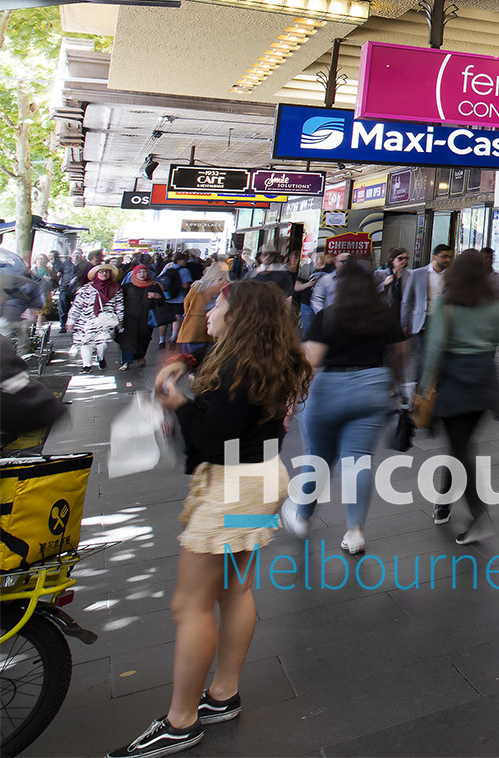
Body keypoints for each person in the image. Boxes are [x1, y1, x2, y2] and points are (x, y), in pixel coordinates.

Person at [109, 280, 312, 758]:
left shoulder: (240, 367)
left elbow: (213, 437)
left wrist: (178, 404)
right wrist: (190, 361)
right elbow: (227, 400)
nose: (209, 312)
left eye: (218, 305)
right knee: (236, 590)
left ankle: (180, 721)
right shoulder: (272, 356)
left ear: (237, 316)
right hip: (263, 477)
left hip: (231, 487)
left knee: (191, 606)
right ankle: (223, 693)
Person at [283, 263, 407, 556]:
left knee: (319, 458)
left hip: (327, 392)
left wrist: (289, 402)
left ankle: (302, 517)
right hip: (373, 390)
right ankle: (355, 533)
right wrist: (397, 385)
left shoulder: (328, 316)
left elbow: (310, 361)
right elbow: (401, 353)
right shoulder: (384, 316)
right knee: (358, 462)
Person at [419, 251, 499, 544]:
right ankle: (443, 505)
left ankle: (480, 516)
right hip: (484, 383)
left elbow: (434, 350)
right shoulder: (496, 305)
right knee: (460, 445)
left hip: (455, 382)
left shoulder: (447, 304)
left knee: (460, 451)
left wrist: (422, 390)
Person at [401, 244, 452, 398]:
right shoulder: (418, 274)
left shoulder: (451, 276)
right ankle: (419, 393)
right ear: (434, 257)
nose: (448, 260)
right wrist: (404, 322)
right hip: (423, 322)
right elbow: (407, 300)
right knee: (423, 358)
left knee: (441, 358)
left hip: (443, 323)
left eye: (450, 256)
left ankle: (436, 391)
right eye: (444, 256)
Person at [68, 264, 121, 371]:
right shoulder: (86, 289)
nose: (104, 274)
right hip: (86, 321)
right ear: (96, 274)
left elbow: (119, 305)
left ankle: (100, 357)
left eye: (106, 272)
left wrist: (120, 320)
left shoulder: (115, 289)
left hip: (105, 320)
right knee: (85, 342)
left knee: (102, 343)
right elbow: (77, 306)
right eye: (101, 272)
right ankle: (86, 365)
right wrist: (71, 321)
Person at [175, 261, 228, 364]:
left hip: (193, 326)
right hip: (215, 328)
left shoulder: (196, 285)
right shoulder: (224, 287)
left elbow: (186, 302)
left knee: (192, 361)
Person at [119, 264, 167, 371]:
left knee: (144, 338)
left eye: (144, 272)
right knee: (127, 339)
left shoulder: (154, 286)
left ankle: (140, 356)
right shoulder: (127, 287)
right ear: (135, 274)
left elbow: (162, 302)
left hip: (146, 317)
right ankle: (126, 361)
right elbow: (119, 301)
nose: (142, 274)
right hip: (129, 317)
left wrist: (156, 296)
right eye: (139, 272)